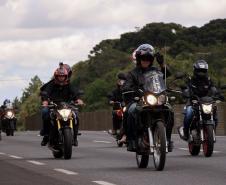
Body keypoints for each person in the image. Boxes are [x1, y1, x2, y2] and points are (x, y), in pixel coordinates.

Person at [122, 44, 174, 151]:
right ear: (139, 59)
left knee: (169, 110)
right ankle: (131, 139)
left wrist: (162, 63)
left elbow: (167, 74)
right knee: (131, 110)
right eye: (143, 58)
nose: (145, 61)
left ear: (151, 60)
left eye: (148, 58)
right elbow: (126, 86)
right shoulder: (132, 73)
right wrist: (130, 89)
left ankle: (167, 139)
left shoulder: (156, 71)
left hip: (155, 98)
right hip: (138, 100)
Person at [40, 63, 84, 146]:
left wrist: (78, 99)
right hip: (54, 106)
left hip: (67, 106)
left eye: (63, 76)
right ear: (56, 76)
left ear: (66, 76)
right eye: (60, 76)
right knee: (45, 112)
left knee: (76, 116)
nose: (61, 78)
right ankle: (46, 135)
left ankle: (74, 137)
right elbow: (45, 92)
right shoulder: (52, 84)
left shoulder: (68, 85)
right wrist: (45, 101)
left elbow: (74, 93)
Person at [181, 59, 223, 140]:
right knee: (189, 113)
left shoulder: (208, 80)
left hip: (207, 102)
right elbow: (186, 88)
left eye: (203, 71)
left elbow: (213, 88)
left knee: (215, 114)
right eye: (199, 70)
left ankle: (212, 130)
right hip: (193, 102)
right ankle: (186, 132)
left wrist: (218, 94)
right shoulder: (190, 80)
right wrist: (185, 92)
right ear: (195, 70)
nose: (201, 72)